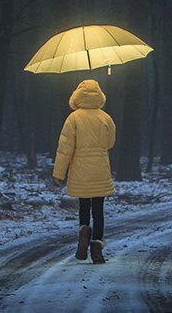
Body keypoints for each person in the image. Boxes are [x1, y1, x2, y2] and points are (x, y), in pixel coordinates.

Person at [53, 79, 116, 264]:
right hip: (100, 169)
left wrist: (59, 173)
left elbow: (65, 148)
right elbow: (110, 143)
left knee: (84, 206)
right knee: (99, 210)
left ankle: (83, 233)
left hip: (80, 170)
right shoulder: (106, 118)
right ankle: (97, 250)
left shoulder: (73, 118)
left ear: (77, 95)